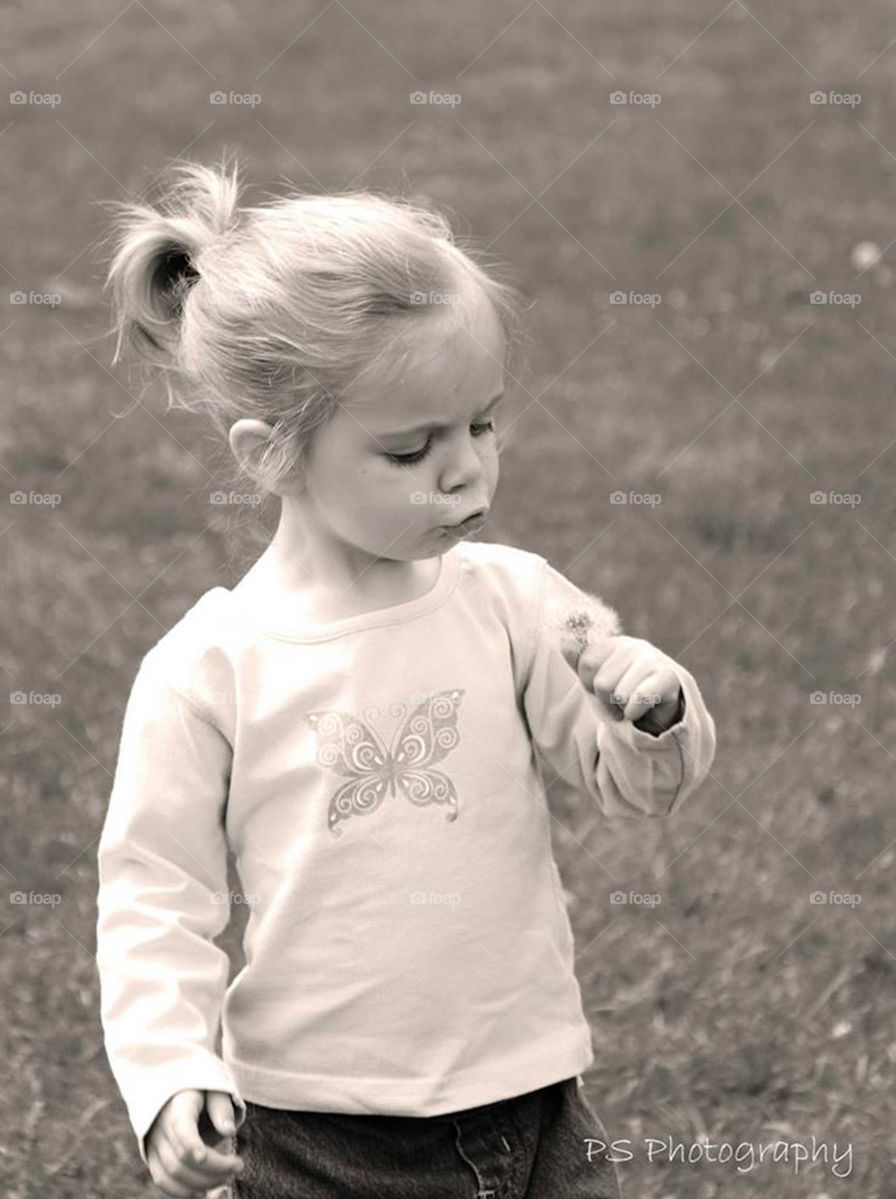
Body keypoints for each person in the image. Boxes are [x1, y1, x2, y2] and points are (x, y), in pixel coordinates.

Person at [94, 154, 717, 1199]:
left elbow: (636, 785)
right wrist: (168, 1068)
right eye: (410, 448)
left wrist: (650, 713)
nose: (465, 466)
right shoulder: (209, 670)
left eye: (481, 423)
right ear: (269, 453)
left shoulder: (515, 601)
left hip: (533, 1105)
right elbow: (154, 893)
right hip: (313, 1140)